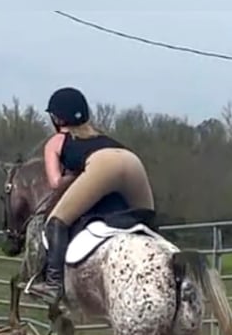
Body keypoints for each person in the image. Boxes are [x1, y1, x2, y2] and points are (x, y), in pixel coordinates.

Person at [25, 86, 156, 306]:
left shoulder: (56, 141)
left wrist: (77, 177)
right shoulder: (103, 136)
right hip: (132, 161)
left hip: (103, 166)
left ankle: (53, 286)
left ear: (57, 118)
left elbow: (56, 183)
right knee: (147, 222)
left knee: (56, 222)